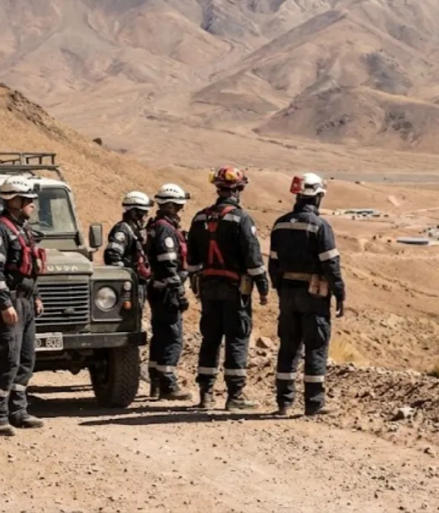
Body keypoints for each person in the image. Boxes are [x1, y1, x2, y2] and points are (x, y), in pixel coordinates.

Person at [186, 166, 268, 410]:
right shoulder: (241, 219)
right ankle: (235, 396)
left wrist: (196, 285)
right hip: (235, 290)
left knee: (210, 339)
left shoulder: (199, 218)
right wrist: (263, 287)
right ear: (238, 190)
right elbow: (253, 259)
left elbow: (191, 261)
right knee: (237, 339)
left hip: (208, 289)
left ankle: (206, 395)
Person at [268, 173, 345, 417]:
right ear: (317, 197)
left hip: (287, 293)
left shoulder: (280, 224)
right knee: (316, 346)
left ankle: (284, 403)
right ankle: (313, 403)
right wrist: (339, 292)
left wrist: (280, 289)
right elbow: (330, 264)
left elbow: (273, 264)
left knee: (288, 346)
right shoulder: (319, 226)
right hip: (313, 295)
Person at [0, 175, 47, 436]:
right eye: (28, 200)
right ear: (15, 201)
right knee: (6, 358)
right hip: (11, 303)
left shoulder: (24, 229)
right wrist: (4, 304)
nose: (33, 205)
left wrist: (36, 295)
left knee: (26, 358)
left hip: (26, 301)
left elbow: (30, 269)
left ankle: (18, 411)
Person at [144, 183, 194, 401]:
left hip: (158, 288)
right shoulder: (165, 229)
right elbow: (168, 264)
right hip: (166, 291)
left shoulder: (156, 226)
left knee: (161, 334)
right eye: (179, 206)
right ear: (171, 206)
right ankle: (168, 384)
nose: (181, 211)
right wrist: (179, 291)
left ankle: (156, 383)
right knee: (172, 336)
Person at [103, 190, 156, 395]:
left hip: (139, 285)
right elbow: (112, 255)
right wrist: (128, 277)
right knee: (131, 326)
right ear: (133, 212)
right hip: (131, 287)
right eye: (142, 213)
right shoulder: (122, 230)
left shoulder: (134, 231)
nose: (144, 217)